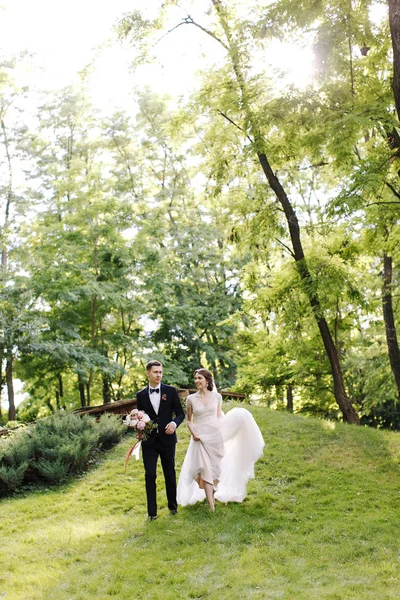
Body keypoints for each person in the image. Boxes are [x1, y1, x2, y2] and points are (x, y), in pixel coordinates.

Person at [177, 368, 265, 511]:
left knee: (215, 470)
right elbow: (189, 421)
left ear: (207, 380)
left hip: (215, 436)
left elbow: (219, 417)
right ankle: (211, 505)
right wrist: (194, 434)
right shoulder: (190, 399)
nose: (197, 381)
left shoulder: (217, 397)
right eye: (196, 378)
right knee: (204, 469)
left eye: (200, 378)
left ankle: (212, 492)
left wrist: (233, 422)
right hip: (199, 438)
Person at [136, 360, 185, 521]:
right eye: (155, 372)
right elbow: (140, 416)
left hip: (167, 439)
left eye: (160, 372)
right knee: (150, 475)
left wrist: (174, 423)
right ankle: (152, 513)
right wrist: (139, 428)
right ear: (147, 373)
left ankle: (173, 507)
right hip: (149, 442)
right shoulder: (141, 395)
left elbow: (180, 414)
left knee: (169, 474)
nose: (158, 375)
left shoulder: (170, 391)